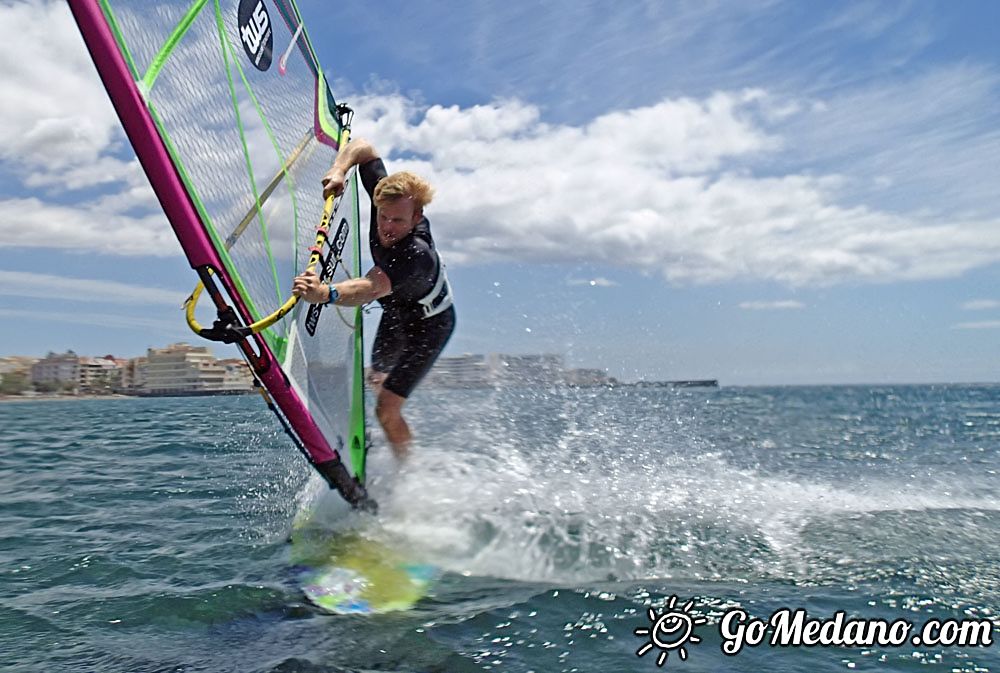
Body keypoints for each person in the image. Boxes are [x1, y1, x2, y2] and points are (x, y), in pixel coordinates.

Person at [292, 138, 455, 460]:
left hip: (430, 325)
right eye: (383, 217)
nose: (387, 227)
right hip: (396, 313)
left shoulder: (415, 255)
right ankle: (392, 437)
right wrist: (339, 170)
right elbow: (364, 147)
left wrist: (324, 293)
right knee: (377, 377)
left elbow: (370, 287)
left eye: (398, 220)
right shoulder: (388, 198)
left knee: (386, 410)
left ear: (417, 217)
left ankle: (406, 471)